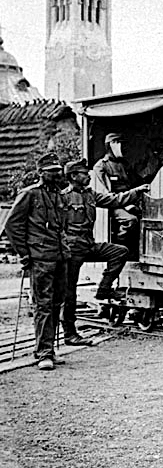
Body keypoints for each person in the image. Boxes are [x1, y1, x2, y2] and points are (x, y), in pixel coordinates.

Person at [61, 159, 150, 345]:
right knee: (68, 295)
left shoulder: (90, 195)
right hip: (71, 251)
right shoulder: (62, 198)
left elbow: (115, 200)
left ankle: (104, 290)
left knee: (119, 252)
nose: (88, 176)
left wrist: (137, 191)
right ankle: (70, 333)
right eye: (84, 173)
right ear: (74, 176)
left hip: (88, 246)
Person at [4, 153, 70, 370]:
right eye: (52, 171)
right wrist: (24, 253)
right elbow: (12, 225)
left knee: (55, 303)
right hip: (40, 259)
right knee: (42, 305)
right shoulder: (30, 194)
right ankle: (44, 354)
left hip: (60, 257)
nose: (57, 174)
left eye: (58, 170)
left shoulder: (59, 195)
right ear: (41, 173)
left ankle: (48, 348)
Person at [92, 133, 142, 249]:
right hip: (115, 205)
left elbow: (134, 183)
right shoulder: (101, 166)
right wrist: (126, 205)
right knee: (131, 221)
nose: (123, 147)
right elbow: (107, 193)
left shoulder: (124, 165)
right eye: (120, 144)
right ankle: (119, 249)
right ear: (112, 144)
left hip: (130, 201)